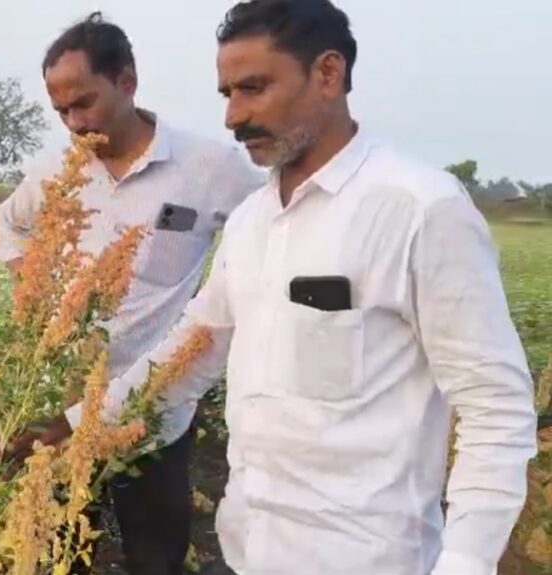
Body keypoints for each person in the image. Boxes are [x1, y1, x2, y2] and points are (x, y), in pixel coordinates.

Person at [31, 1, 538, 574]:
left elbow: (495, 405)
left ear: (328, 74)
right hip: (253, 549)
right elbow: (193, 348)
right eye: (227, 94)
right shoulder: (252, 220)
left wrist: (466, 563)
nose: (233, 115)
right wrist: (74, 428)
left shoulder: (419, 210)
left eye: (253, 88)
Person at [0, 11, 264, 575]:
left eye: (84, 102)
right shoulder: (54, 171)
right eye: (60, 110)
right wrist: (30, 278)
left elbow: (270, 237)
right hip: (61, 405)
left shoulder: (209, 168)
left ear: (127, 82)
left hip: (152, 410)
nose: (73, 122)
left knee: (155, 554)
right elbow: (9, 224)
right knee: (62, 547)